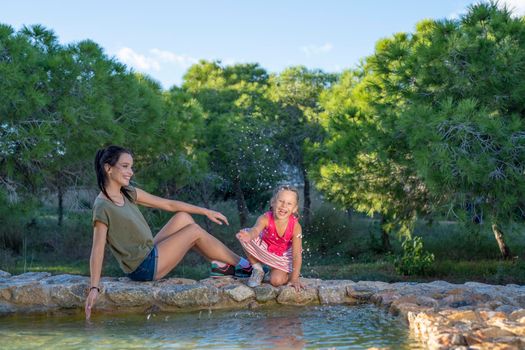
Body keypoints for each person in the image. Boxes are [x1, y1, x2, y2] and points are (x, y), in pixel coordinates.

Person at [85, 145, 252, 319]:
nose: (131, 172)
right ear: (108, 168)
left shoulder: (127, 192)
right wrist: (94, 288)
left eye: (131, 167)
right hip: (142, 267)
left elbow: (168, 205)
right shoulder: (102, 206)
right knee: (194, 231)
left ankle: (221, 267)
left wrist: (206, 211)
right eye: (125, 166)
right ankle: (246, 266)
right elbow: (97, 249)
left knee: (183, 217)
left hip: (148, 251)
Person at [236, 185, 304, 291]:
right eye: (281, 201)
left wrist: (294, 278)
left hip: (283, 257)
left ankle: (285, 273)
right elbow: (255, 230)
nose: (284, 206)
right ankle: (258, 269)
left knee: (276, 281)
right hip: (266, 250)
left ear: (294, 209)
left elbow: (296, 254)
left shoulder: (296, 227)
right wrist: (249, 235)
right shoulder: (265, 218)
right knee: (245, 233)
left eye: (289, 203)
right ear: (273, 202)